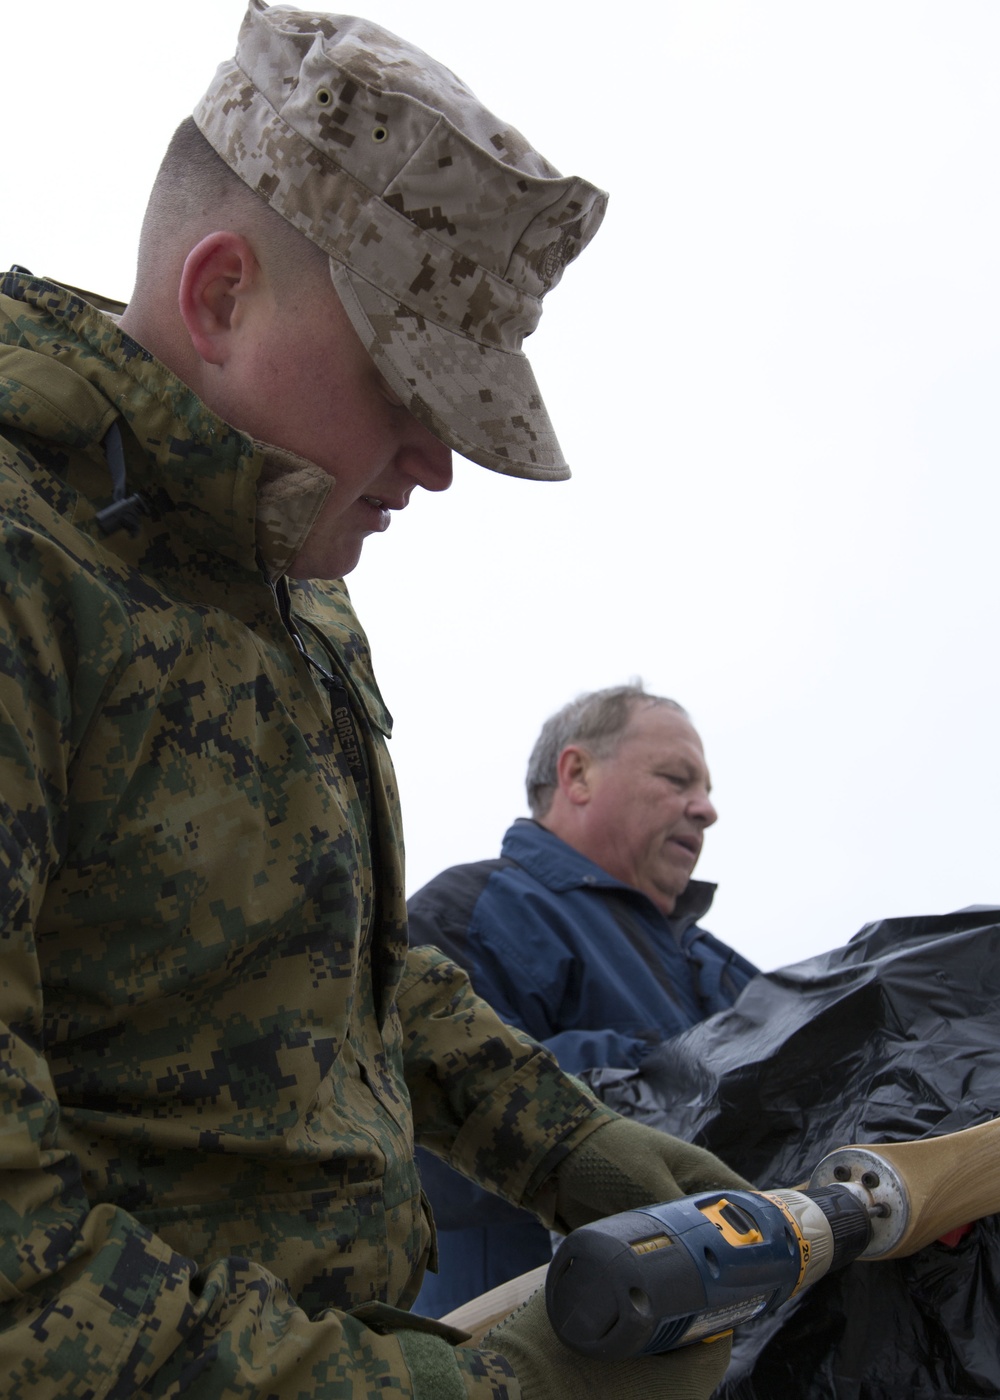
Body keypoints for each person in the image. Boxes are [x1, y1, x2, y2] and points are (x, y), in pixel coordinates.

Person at [0, 5, 751, 1397]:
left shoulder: (288, 587)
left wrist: (564, 1139)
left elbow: (334, 964)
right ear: (222, 296)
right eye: (409, 388)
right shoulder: (26, 569)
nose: (438, 462)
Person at [409, 685, 758, 1314]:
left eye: (705, 790)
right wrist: (677, 1079)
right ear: (577, 775)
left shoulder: (724, 967)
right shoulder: (469, 912)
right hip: (526, 1363)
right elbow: (422, 1155)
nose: (705, 809)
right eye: (678, 778)